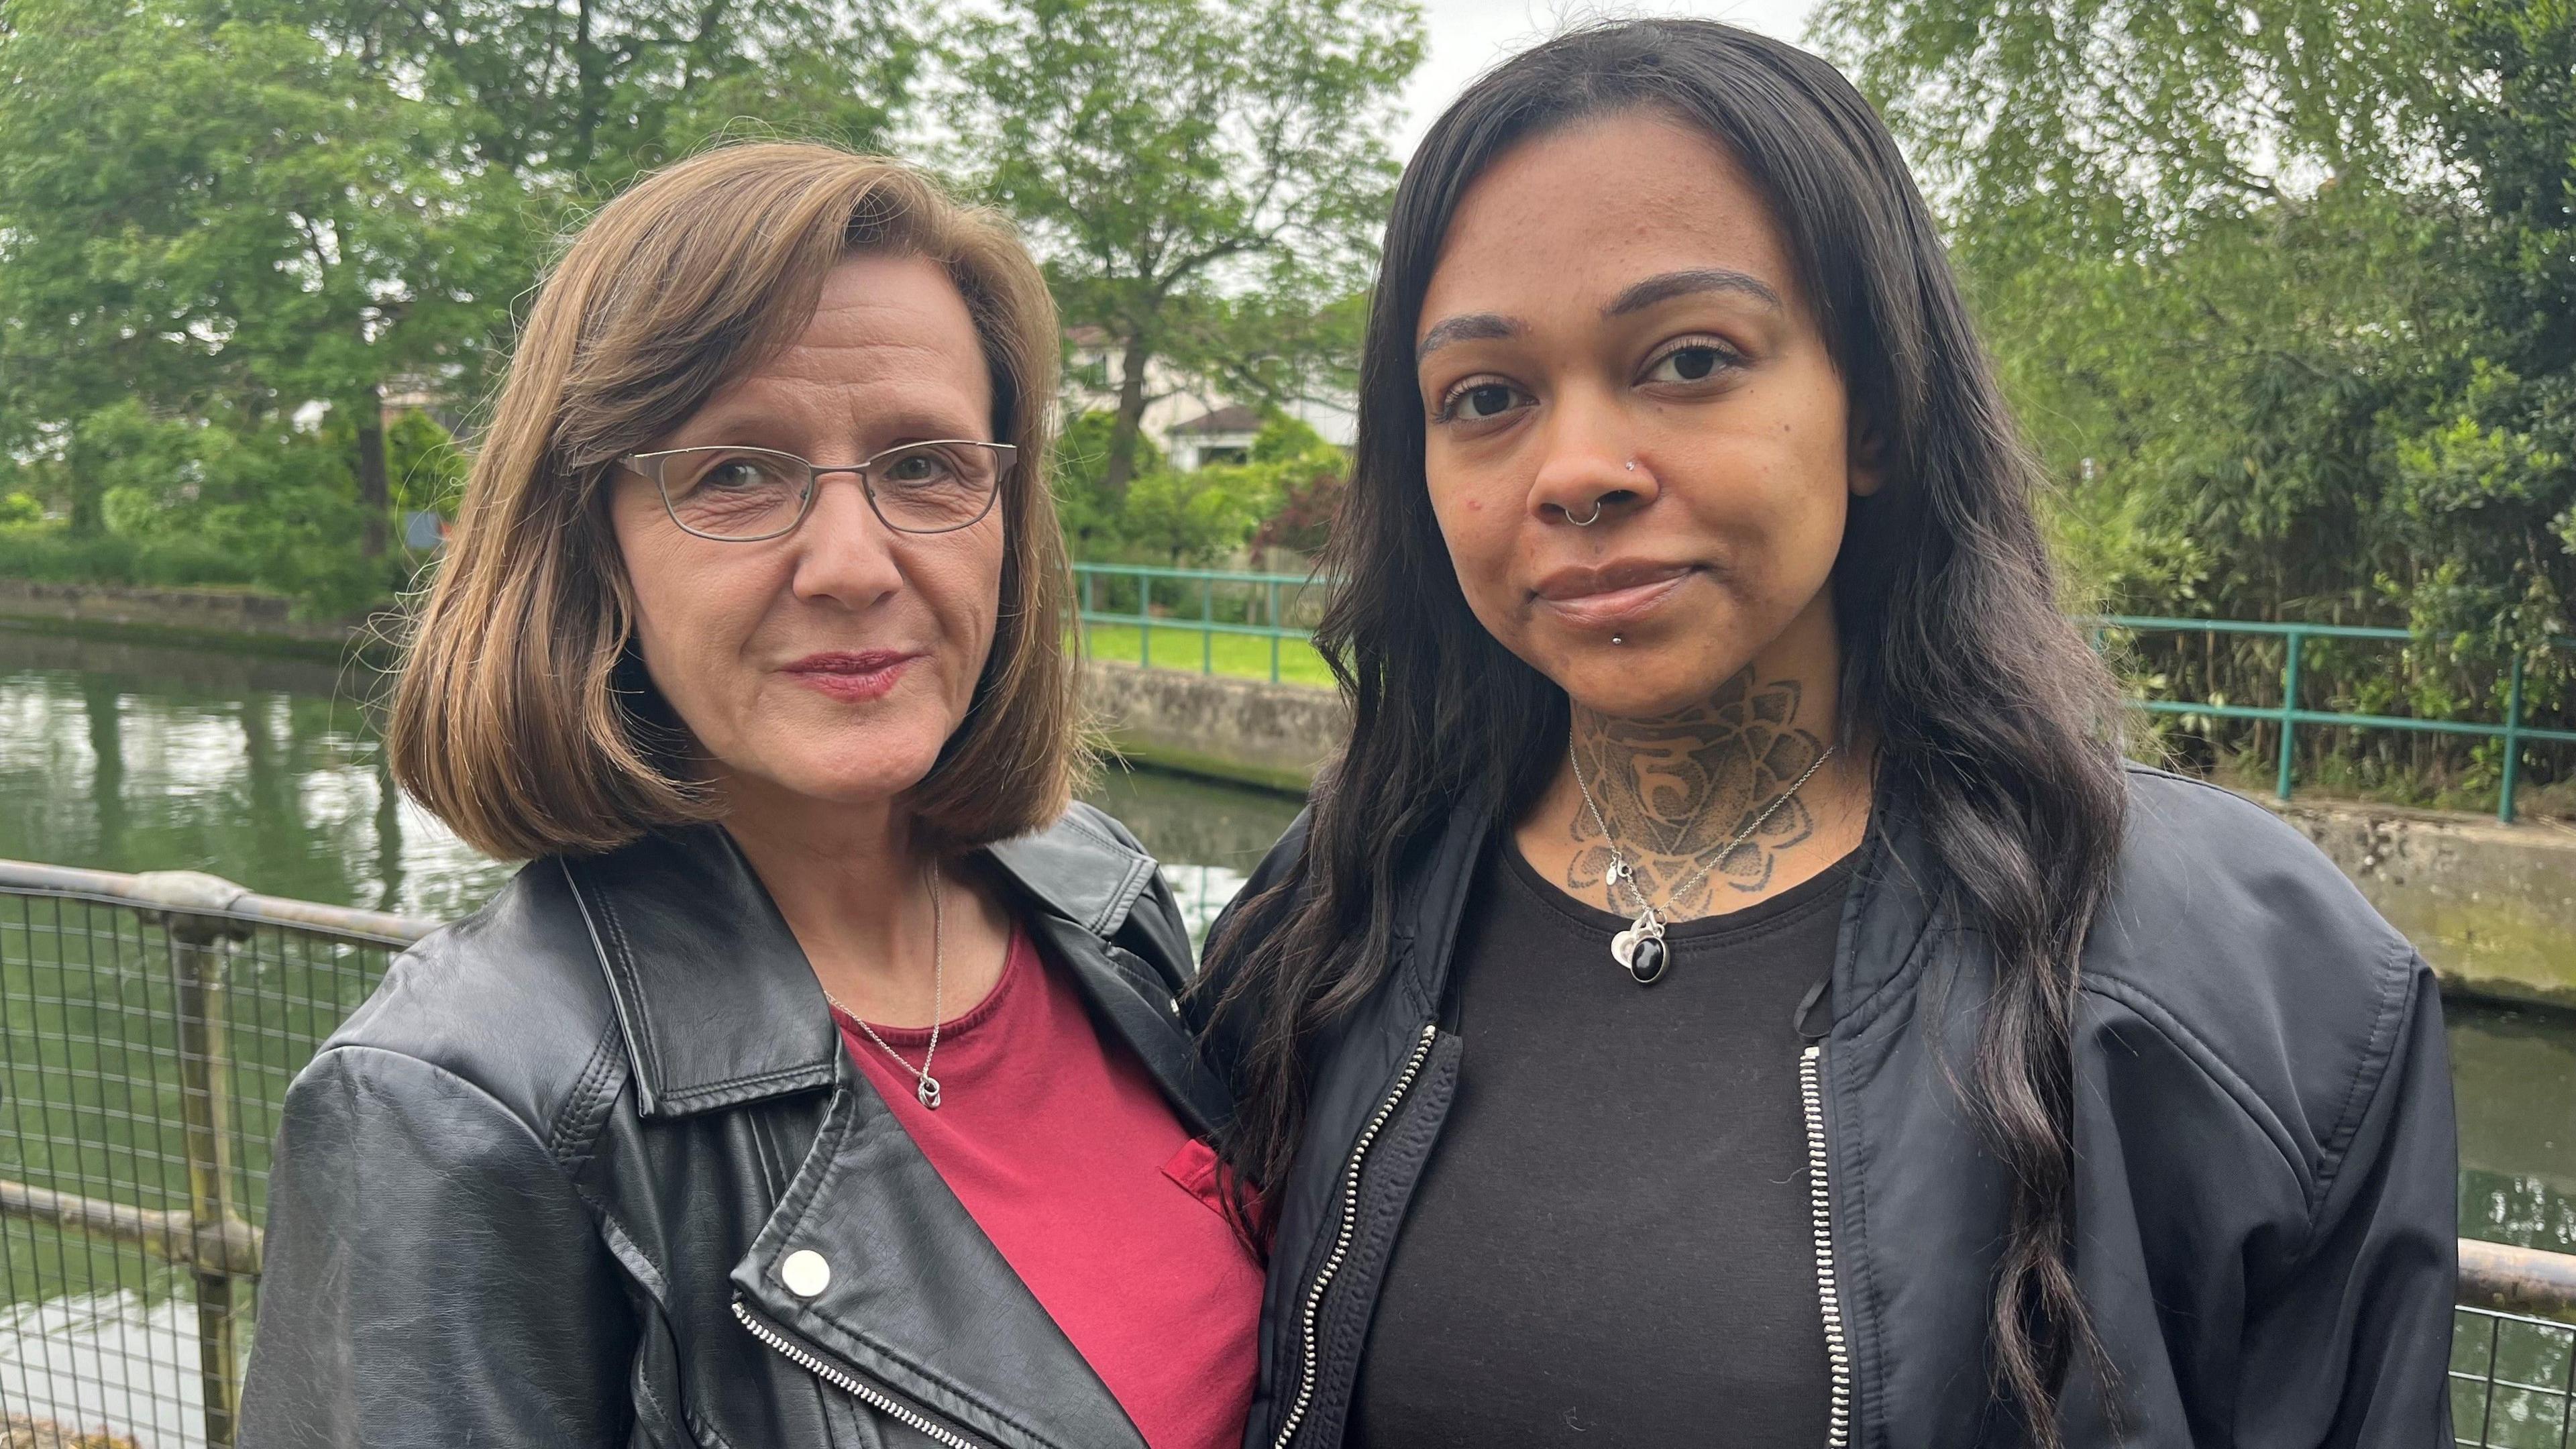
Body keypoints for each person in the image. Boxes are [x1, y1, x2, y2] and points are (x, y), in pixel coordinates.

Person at [1197, 21, 2458, 1448]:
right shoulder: (1326, 918)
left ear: (1874, 408)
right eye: (1486, 398)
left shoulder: (2247, 989)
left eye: (1687, 360)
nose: (1579, 472)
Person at [239, 144, 1260, 1449]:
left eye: (925, 465)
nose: (852, 562)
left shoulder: (1099, 899)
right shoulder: (460, 1110)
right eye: (733, 473)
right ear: (590, 541)